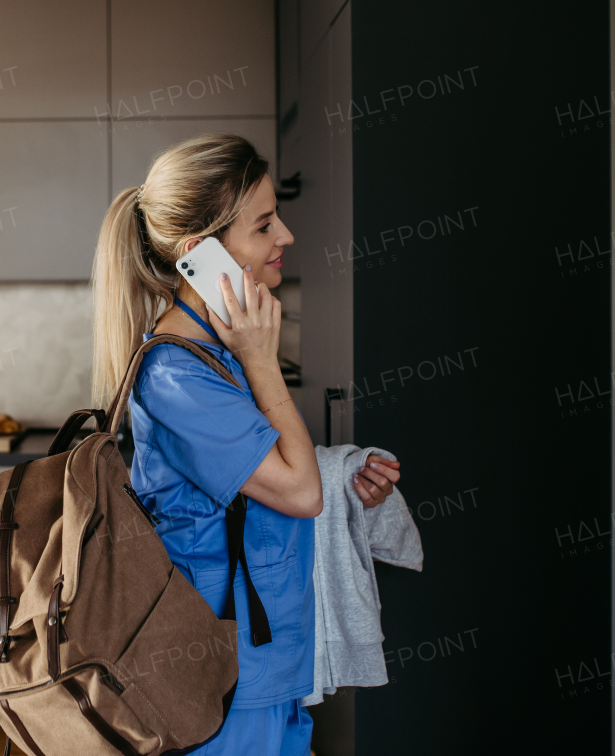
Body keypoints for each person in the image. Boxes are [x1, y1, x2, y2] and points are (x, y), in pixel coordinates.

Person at [90, 134, 400, 754]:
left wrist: (343, 481)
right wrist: (262, 360)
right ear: (198, 255)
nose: (285, 236)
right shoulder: (177, 375)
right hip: (222, 670)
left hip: (268, 657)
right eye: (264, 225)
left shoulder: (219, 350)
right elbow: (297, 491)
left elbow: (275, 483)